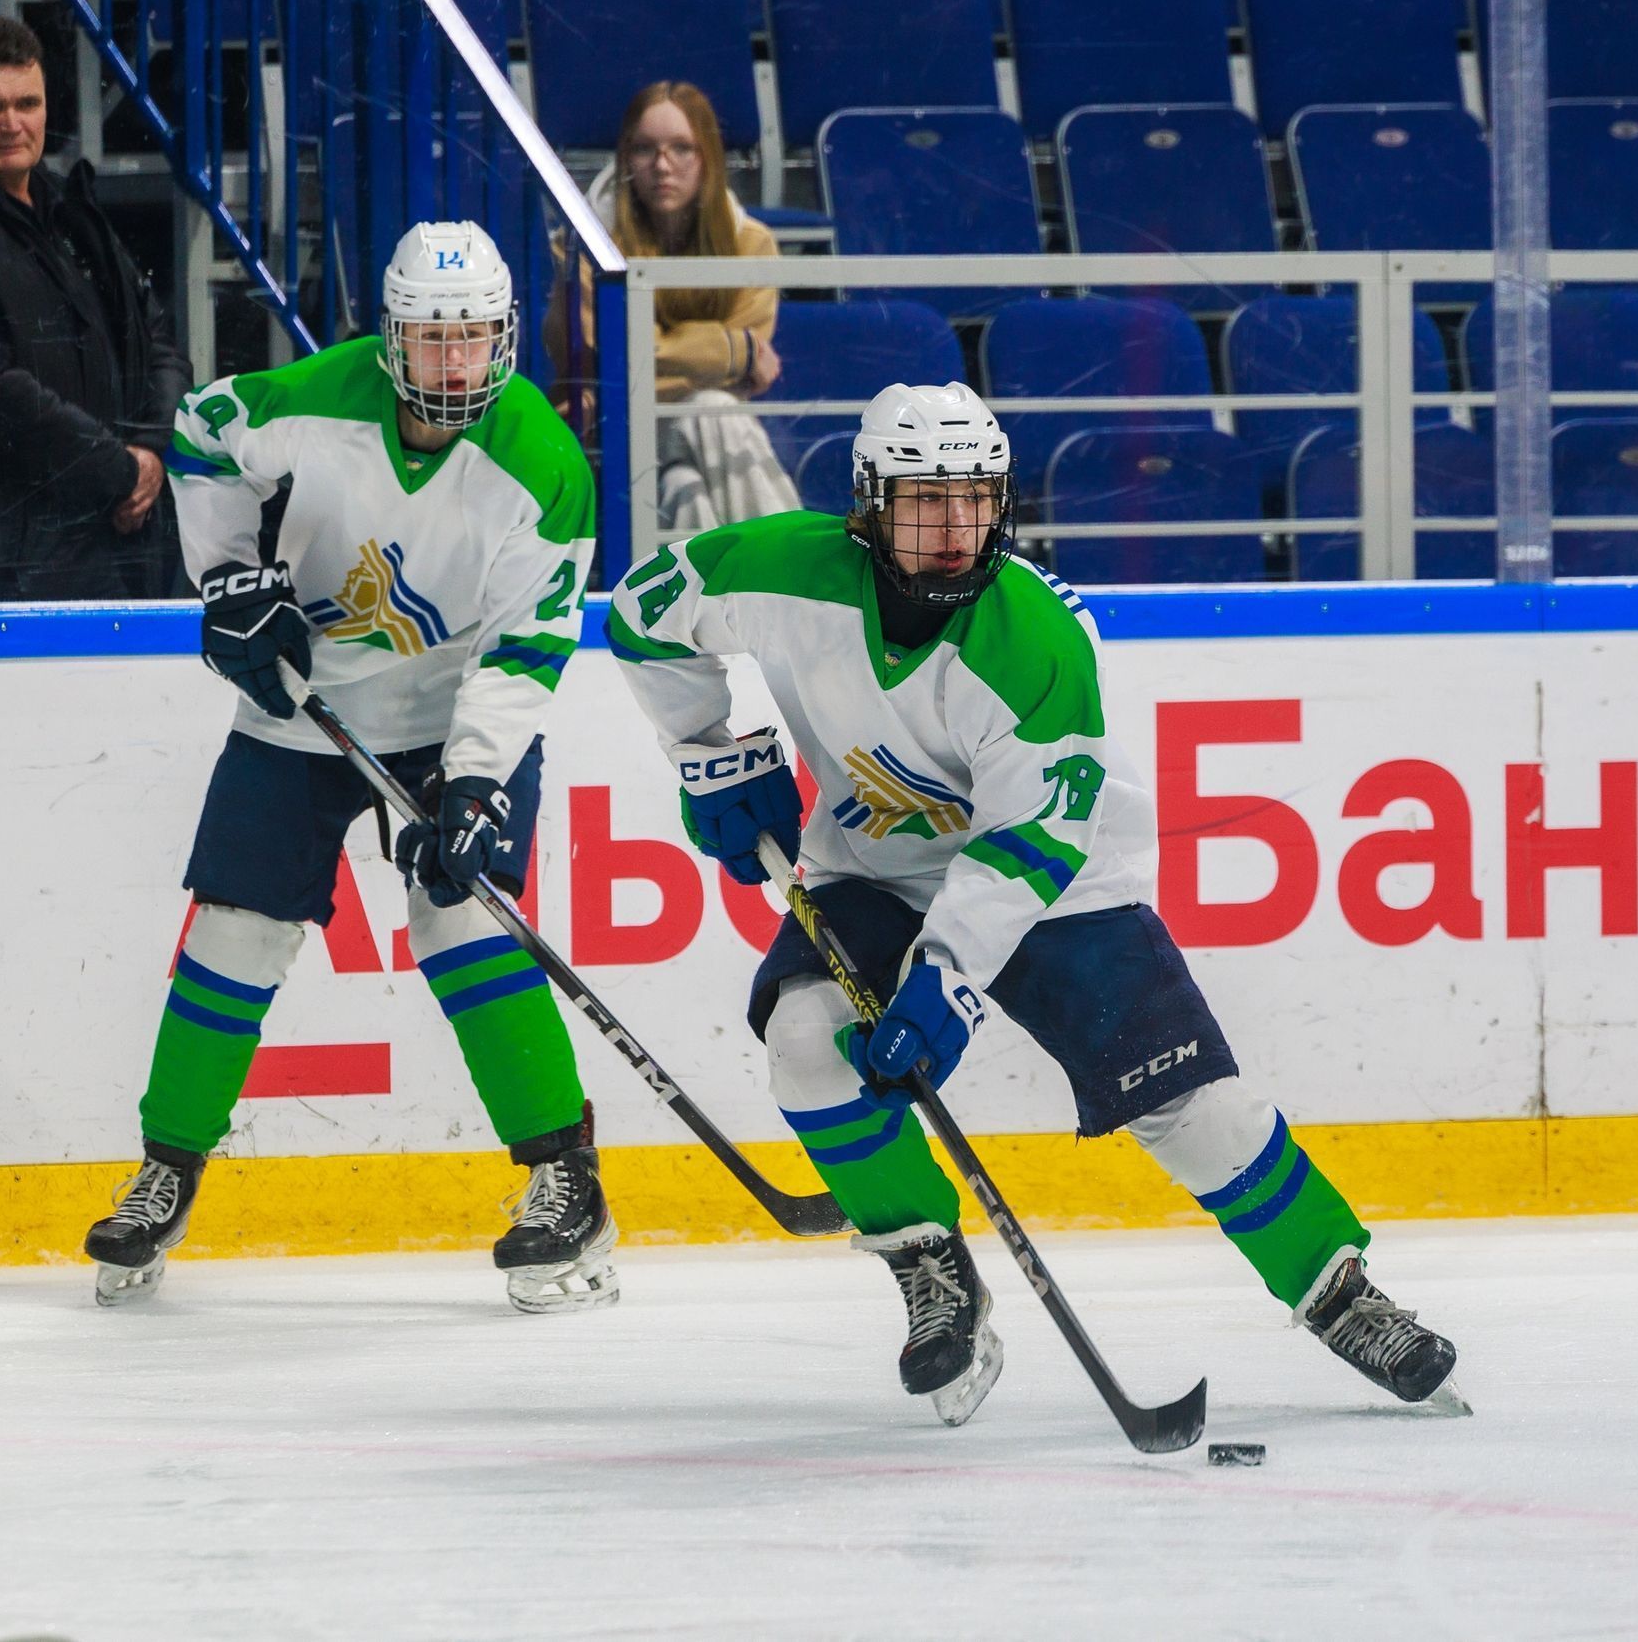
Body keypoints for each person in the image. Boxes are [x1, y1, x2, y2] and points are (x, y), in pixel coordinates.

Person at [604, 382, 1460, 1424]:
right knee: (807, 1042)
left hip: (1059, 883)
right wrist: (711, 752)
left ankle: (1337, 1289)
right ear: (869, 503)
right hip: (873, 869)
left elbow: (1031, 843)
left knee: (1191, 1105)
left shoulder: (1038, 640)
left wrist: (946, 982)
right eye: (926, 500)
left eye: (975, 499)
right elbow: (643, 611)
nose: (954, 528)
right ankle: (928, 1263)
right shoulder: (784, 570)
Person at [81, 221, 612, 1315]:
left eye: (474, 337)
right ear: (390, 337)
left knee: (462, 924)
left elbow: (525, 649)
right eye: (432, 338)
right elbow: (200, 435)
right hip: (302, 706)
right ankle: (166, 1169)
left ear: (505, 336)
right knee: (236, 928)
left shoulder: (545, 467)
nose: (454, 361)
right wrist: (230, 578)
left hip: (458, 716)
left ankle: (567, 1177)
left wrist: (475, 783)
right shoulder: (317, 399)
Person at [0, 15, 190, 600]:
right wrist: (121, 470)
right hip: (2, 579)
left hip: (112, 551)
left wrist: (151, 454)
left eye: (27, 104)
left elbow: (157, 340)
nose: (12, 124)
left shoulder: (70, 212)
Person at [544, 80, 802, 535]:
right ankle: (792, 560)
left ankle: (716, 584)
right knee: (711, 406)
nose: (662, 166)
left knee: (686, 488)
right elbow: (606, 362)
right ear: (625, 159)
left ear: (708, 158)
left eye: (681, 148)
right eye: (644, 149)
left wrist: (654, 357)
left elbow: (630, 359)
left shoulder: (752, 244)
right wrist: (731, 351)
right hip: (610, 437)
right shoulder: (584, 248)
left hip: (697, 442)